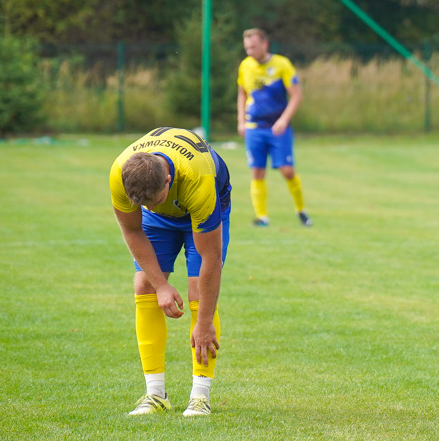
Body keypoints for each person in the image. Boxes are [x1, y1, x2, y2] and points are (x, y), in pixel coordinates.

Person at [110, 127, 232, 417]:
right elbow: (131, 228)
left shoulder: (198, 178)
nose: (151, 206)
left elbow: (210, 258)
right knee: (144, 284)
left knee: (196, 290)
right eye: (144, 203)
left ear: (168, 179)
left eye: (155, 199)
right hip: (160, 221)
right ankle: (155, 394)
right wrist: (161, 285)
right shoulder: (119, 173)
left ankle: (200, 396)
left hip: (200, 207)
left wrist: (203, 323)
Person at [237, 28, 311, 227]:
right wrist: (241, 120)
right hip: (254, 127)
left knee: (287, 171)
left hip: (278, 128)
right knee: (257, 172)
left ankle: (301, 210)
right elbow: (242, 93)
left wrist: (284, 120)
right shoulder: (245, 66)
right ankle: (262, 217)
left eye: (253, 47)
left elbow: (296, 95)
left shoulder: (281, 64)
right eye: (246, 48)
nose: (249, 51)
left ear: (264, 44)